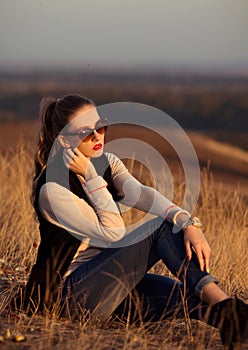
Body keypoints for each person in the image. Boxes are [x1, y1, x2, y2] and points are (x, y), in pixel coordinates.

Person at [11, 94, 247, 348]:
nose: (98, 136)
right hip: (71, 298)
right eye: (86, 132)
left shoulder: (107, 162)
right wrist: (91, 177)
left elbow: (141, 193)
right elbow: (113, 233)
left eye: (100, 127)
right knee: (158, 227)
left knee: (187, 294)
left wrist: (188, 222)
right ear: (65, 139)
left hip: (109, 287)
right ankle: (227, 306)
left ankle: (233, 321)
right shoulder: (53, 190)